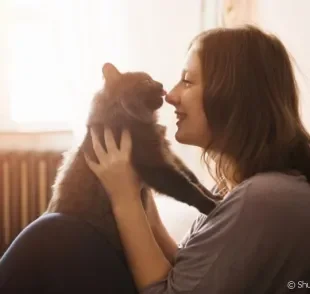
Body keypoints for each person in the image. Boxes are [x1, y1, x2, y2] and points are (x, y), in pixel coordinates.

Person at [84, 25, 310, 293]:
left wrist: (124, 199)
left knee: (52, 237)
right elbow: (193, 272)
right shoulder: (237, 188)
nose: (170, 95)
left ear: (234, 95)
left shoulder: (262, 198)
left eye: (188, 81)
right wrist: (146, 209)